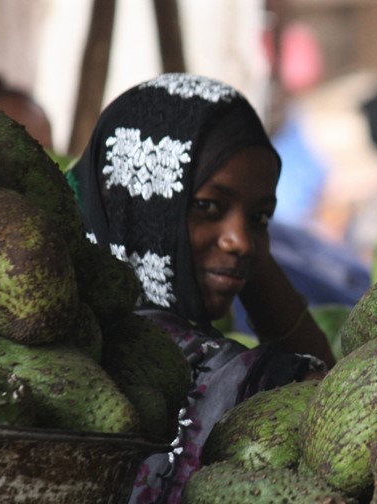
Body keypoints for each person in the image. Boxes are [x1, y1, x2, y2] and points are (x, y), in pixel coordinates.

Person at [69, 73, 336, 503]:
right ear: (144, 201)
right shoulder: (76, 342)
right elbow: (339, 405)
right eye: (208, 206)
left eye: (260, 218)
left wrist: (241, 245)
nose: (242, 240)